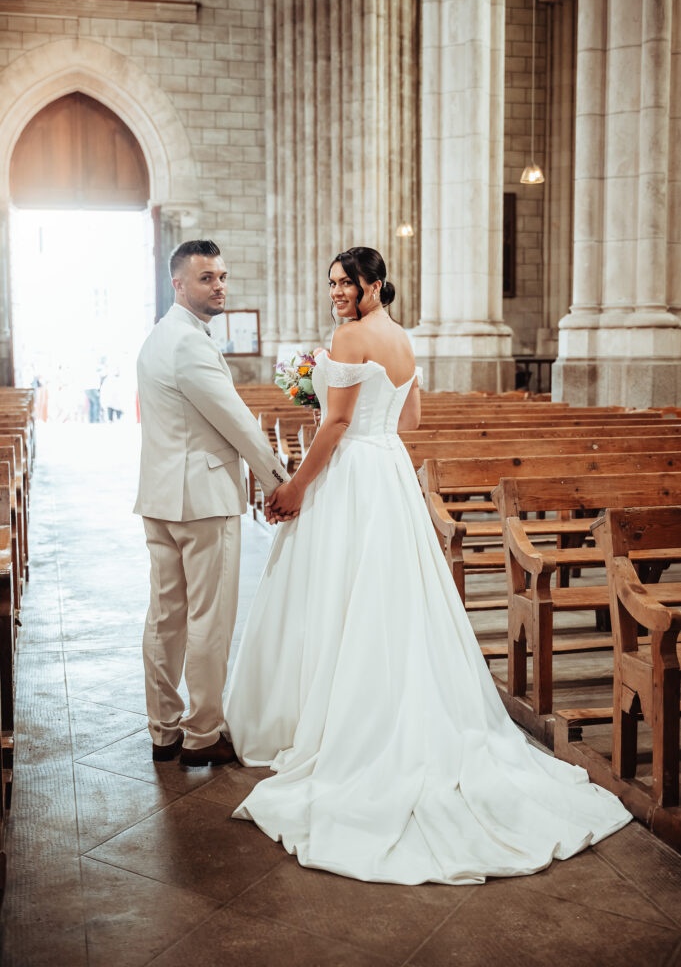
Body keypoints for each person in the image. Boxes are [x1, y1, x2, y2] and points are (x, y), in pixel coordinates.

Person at [224, 245, 632, 886]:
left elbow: (332, 427)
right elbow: (409, 418)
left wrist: (297, 486)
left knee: (336, 590)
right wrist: (354, 413)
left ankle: (332, 719)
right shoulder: (403, 338)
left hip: (353, 472)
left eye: (345, 282)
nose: (335, 291)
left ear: (374, 284)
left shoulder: (349, 335)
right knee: (390, 597)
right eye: (331, 283)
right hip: (388, 472)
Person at [135, 239, 291, 768]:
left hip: (161, 497)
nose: (219, 285)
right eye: (206, 278)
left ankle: (163, 730)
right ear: (177, 283)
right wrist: (278, 480)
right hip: (201, 501)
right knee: (208, 619)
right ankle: (202, 735)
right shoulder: (189, 343)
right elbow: (237, 421)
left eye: (222, 276)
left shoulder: (158, 338)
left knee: (166, 616)